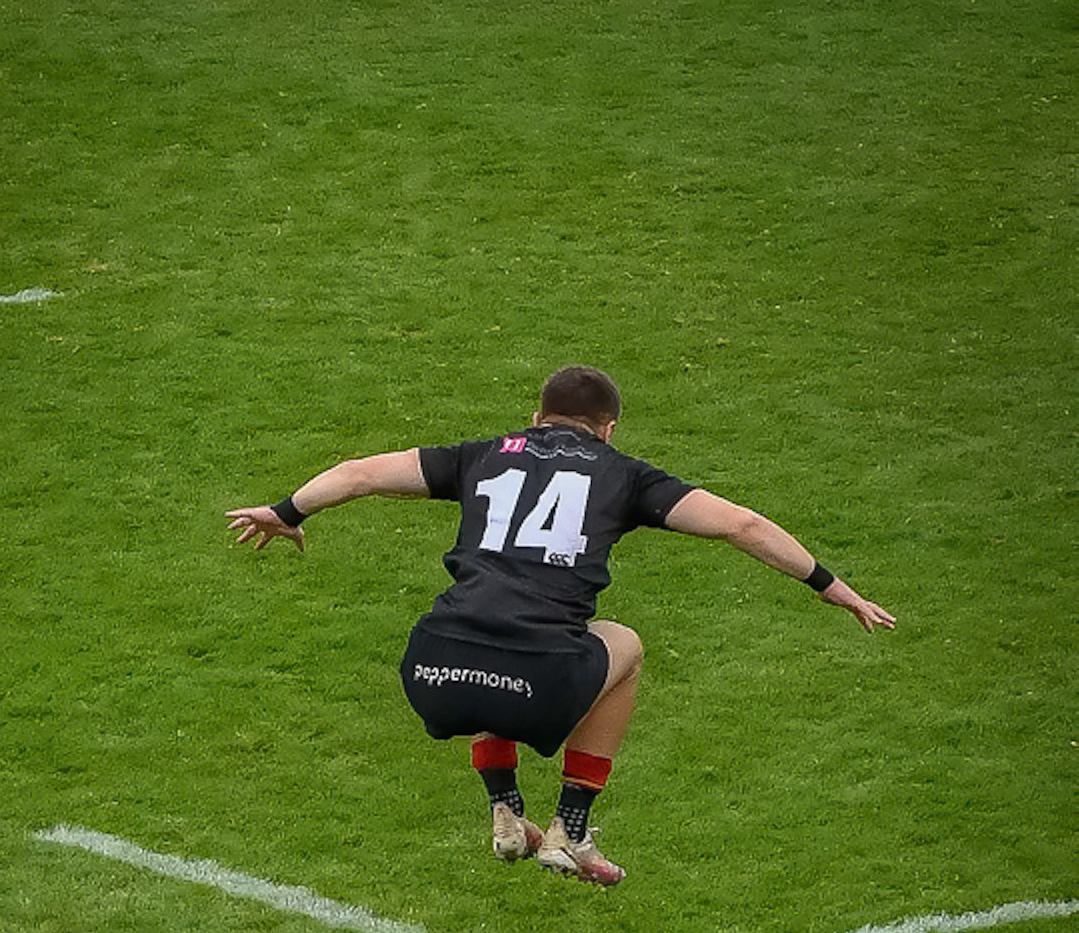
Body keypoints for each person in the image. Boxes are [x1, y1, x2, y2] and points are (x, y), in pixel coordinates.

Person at [226, 365, 895, 886]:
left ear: (535, 418)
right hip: (535, 682)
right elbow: (740, 525)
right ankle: (571, 828)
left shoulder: (479, 456)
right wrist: (831, 588)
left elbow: (358, 474)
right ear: (609, 430)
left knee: (490, 616)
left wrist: (286, 512)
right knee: (622, 646)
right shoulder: (626, 476)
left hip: (430, 671)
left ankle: (506, 811)